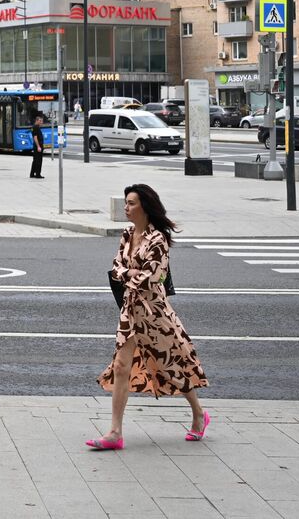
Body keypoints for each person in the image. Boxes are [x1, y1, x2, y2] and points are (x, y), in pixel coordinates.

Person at [87, 184, 209, 451]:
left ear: (144, 206)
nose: (126, 208)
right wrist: (130, 273)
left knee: (173, 365)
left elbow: (152, 278)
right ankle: (115, 433)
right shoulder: (128, 234)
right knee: (121, 366)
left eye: (130, 203)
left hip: (155, 313)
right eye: (125, 203)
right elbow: (116, 267)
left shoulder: (158, 240)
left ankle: (199, 413)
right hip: (130, 311)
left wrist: (128, 274)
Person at [29, 114, 45, 179]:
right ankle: (38, 174)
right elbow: (35, 137)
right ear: (37, 120)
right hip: (38, 146)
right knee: (38, 160)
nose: (42, 122)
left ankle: (32, 174)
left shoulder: (35, 127)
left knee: (35, 160)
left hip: (37, 146)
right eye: (40, 121)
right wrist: (38, 146)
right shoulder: (36, 127)